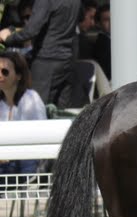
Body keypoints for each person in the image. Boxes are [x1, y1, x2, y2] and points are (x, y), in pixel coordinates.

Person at [0, 0, 81, 108]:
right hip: (67, 60)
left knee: (37, 109)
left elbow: (31, 30)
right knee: (62, 111)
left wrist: (8, 38)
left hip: (46, 61)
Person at [0, 51, 46, 182]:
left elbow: (40, 137)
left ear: (18, 75)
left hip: (27, 163)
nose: (0, 75)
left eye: (5, 71)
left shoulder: (31, 99)